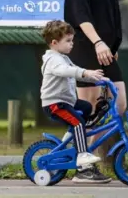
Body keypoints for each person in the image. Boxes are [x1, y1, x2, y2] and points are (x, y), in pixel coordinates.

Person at [63, 0, 126, 184]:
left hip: (108, 52)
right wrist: (98, 42)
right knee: (87, 110)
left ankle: (91, 153)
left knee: (118, 104)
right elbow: (80, 15)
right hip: (88, 50)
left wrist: (114, 45)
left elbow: (112, 15)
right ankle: (83, 166)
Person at [40, 19, 109, 182]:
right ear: (54, 42)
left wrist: (98, 79)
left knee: (85, 107)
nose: (72, 44)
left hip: (66, 101)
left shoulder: (62, 57)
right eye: (68, 41)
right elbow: (67, 71)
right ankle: (82, 158)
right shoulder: (53, 60)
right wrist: (86, 72)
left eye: (72, 40)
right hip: (55, 104)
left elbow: (75, 72)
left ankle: (74, 135)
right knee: (78, 123)